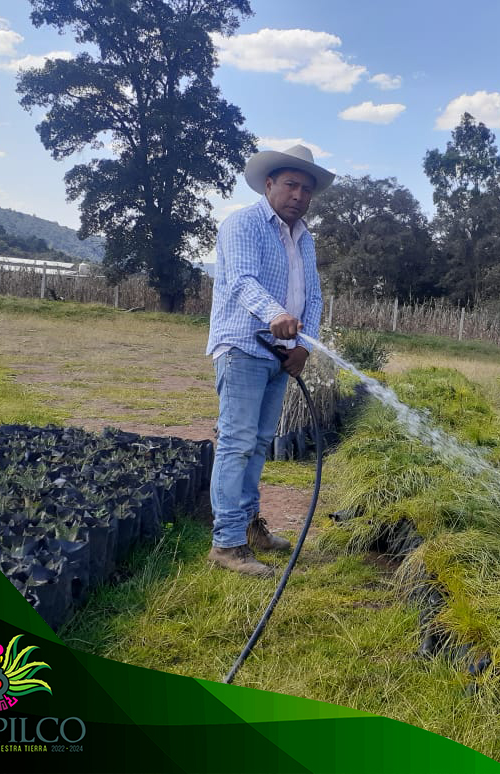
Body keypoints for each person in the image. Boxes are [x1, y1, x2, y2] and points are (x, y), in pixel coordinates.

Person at [205, 144, 335, 577]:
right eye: (291, 185)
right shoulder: (243, 225)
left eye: (306, 189)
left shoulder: (305, 238)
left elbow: (313, 296)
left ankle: (250, 527)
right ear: (269, 185)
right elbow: (242, 281)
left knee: (259, 445)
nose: (299, 195)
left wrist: (305, 346)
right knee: (237, 443)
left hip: (280, 356)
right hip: (243, 347)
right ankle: (226, 544)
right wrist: (275, 314)